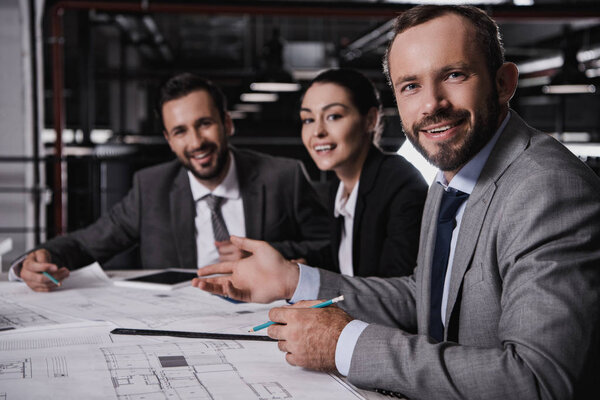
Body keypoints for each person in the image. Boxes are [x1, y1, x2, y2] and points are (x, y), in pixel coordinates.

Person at [193, 5, 600, 399]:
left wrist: (344, 343)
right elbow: (422, 298)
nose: (431, 104)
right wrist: (293, 281)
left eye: (454, 75)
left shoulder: (549, 189)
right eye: (411, 86)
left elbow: (537, 381)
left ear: (503, 83)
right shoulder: (450, 176)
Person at [12, 73, 330, 292]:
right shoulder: (151, 188)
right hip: (180, 325)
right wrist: (40, 258)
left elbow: (331, 247)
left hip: (265, 314)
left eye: (204, 124)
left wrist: (274, 253)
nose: (196, 142)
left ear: (227, 123)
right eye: (180, 131)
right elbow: (85, 243)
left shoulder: (283, 176)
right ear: (169, 139)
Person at [300, 68, 427, 277]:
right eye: (308, 119)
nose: (317, 132)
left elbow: (398, 288)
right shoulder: (339, 186)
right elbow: (347, 257)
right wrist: (297, 266)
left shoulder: (401, 184)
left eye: (333, 116)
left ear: (370, 120)